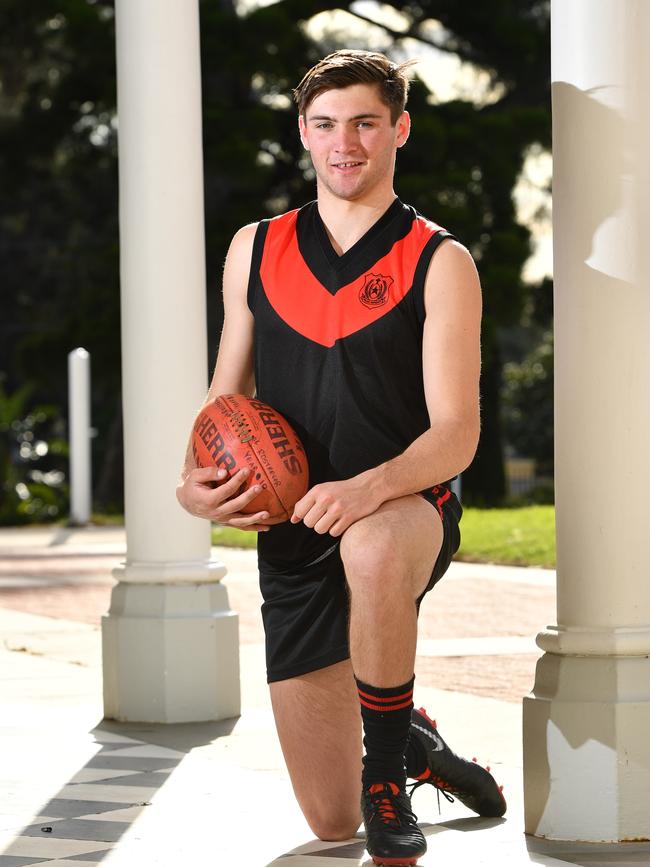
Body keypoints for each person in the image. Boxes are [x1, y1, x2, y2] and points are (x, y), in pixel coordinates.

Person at [177, 49, 505, 867]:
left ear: (399, 128)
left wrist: (367, 489)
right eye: (325, 124)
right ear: (303, 134)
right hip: (292, 530)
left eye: (364, 122)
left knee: (371, 544)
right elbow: (225, 401)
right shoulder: (255, 248)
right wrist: (196, 486)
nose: (344, 142)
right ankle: (416, 738)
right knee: (328, 820)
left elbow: (456, 433)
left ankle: (388, 772)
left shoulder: (440, 260)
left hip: (402, 506)